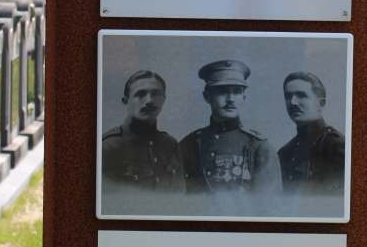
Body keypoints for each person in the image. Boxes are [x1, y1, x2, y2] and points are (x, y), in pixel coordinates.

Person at [180, 60, 281, 195]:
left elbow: (269, 206)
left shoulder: (258, 146)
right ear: (207, 97)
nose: (230, 99)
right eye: (222, 91)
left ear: (243, 97)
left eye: (237, 92)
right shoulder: (189, 144)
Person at [101, 70, 184, 192]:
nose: (149, 100)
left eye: (156, 94)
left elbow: (180, 196)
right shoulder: (108, 146)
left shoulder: (170, 145)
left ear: (164, 100)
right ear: (126, 101)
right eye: (140, 94)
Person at [278, 72, 346, 195]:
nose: (293, 102)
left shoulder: (335, 145)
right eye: (288, 96)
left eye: (301, 96)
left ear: (321, 104)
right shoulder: (284, 152)